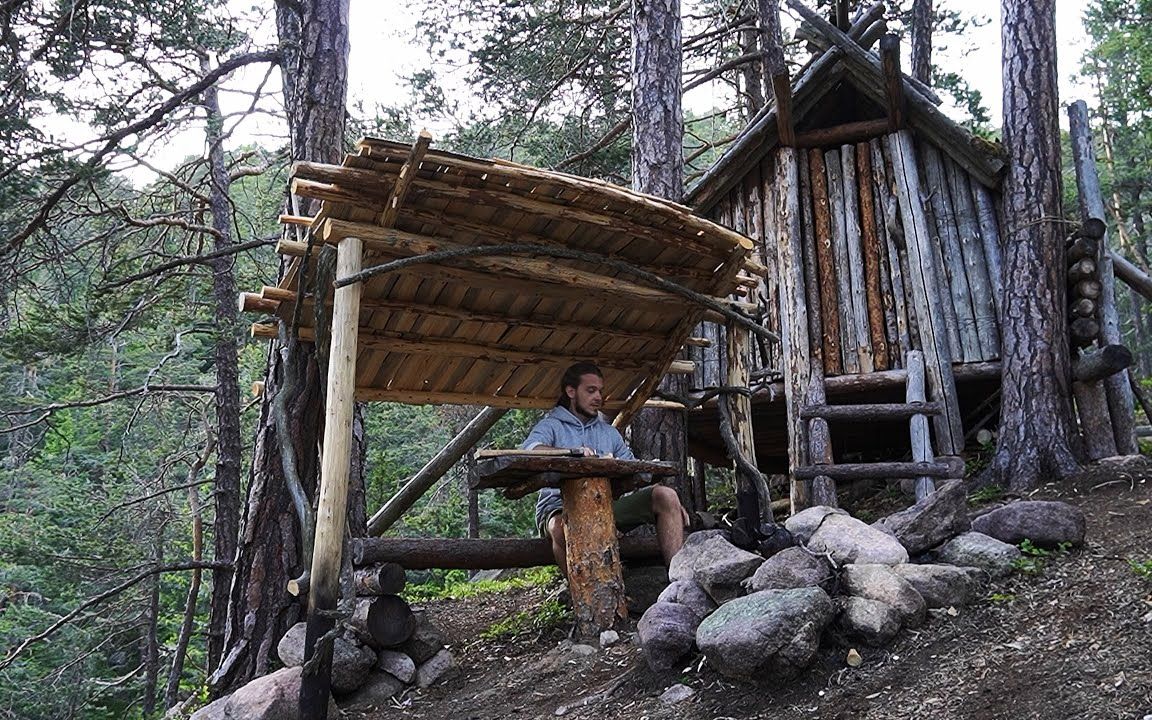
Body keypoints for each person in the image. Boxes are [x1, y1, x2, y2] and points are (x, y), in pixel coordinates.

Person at [521, 362, 689, 575]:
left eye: (600, 391)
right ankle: (582, 599)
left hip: (605, 504)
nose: (598, 397)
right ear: (571, 391)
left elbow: (634, 468)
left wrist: (673, 504)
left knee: (666, 496)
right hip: (558, 506)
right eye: (591, 390)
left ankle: (679, 582)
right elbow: (530, 449)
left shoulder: (609, 433)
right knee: (558, 527)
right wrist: (573, 452)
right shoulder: (551, 425)